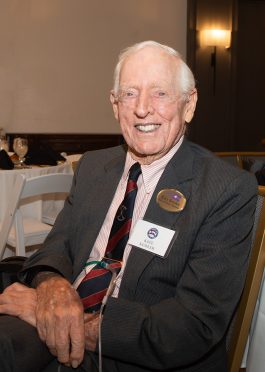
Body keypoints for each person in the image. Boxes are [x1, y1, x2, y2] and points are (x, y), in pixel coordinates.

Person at [0, 41, 258, 372]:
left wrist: (67, 320)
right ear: (114, 104)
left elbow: (191, 325)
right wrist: (51, 287)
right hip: (51, 322)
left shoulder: (225, 189)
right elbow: (58, 245)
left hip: (134, 351)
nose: (142, 109)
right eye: (130, 94)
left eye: (160, 93)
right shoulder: (95, 166)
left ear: (189, 104)